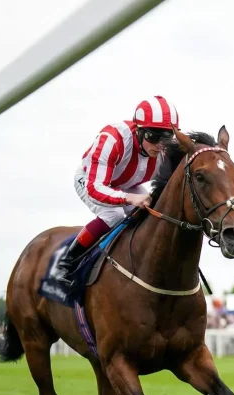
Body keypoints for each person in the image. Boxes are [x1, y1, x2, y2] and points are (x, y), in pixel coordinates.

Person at [53, 96, 180, 288]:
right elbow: (95, 188)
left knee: (150, 213)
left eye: (166, 138)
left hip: (127, 182)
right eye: (153, 137)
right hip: (91, 180)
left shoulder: (165, 149)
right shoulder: (113, 138)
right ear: (138, 130)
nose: (160, 146)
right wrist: (129, 198)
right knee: (113, 214)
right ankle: (65, 263)